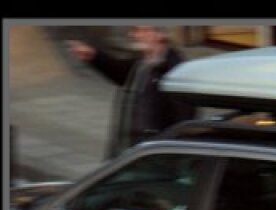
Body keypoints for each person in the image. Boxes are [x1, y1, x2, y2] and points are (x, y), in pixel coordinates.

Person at [65, 26, 196, 158]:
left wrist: (170, 155)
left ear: (160, 34)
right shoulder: (142, 63)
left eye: (141, 30)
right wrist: (93, 56)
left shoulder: (177, 71)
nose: (135, 35)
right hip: (129, 146)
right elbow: (118, 71)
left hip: (153, 154)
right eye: (134, 31)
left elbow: (183, 121)